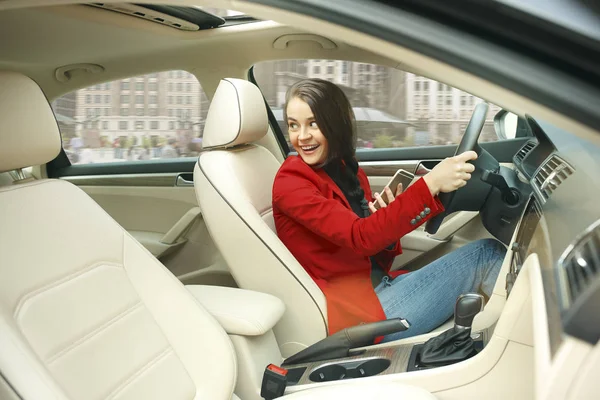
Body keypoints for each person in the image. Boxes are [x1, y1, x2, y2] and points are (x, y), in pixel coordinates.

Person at [272, 79, 506, 342]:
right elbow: (360, 237)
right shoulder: (291, 181)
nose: (301, 136)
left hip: (378, 288)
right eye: (293, 125)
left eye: (313, 123)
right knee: (486, 255)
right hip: (357, 317)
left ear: (336, 123)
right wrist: (430, 184)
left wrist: (384, 215)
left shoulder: (346, 170)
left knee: (486, 254)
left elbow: (370, 249)